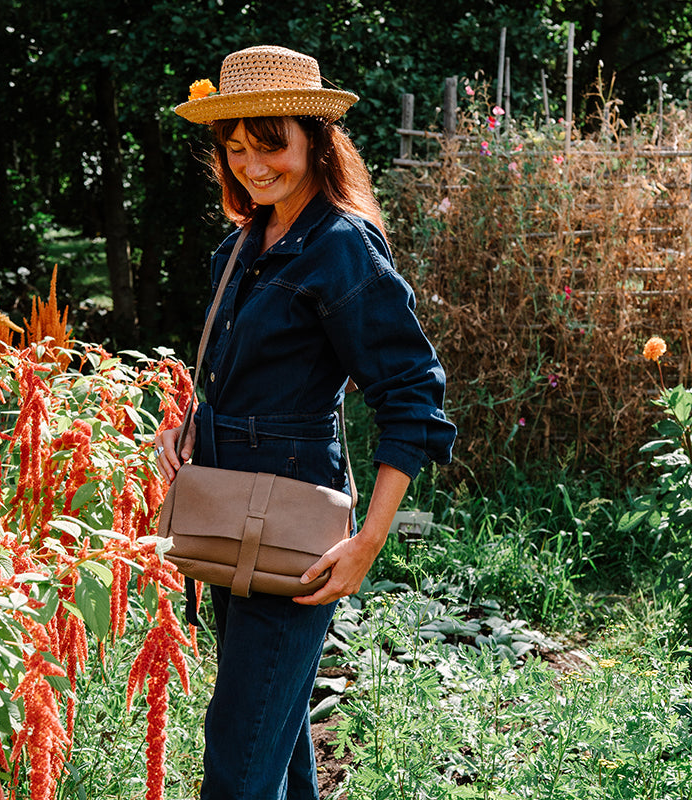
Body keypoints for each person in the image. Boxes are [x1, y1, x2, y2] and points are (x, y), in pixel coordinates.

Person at [155, 44, 456, 800]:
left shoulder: (341, 249)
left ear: (315, 140)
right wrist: (192, 425)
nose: (255, 166)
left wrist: (367, 543)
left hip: (292, 531)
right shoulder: (241, 246)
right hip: (227, 514)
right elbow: (240, 372)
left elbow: (412, 395)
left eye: (272, 145)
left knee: (239, 757)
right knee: (273, 738)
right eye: (236, 150)